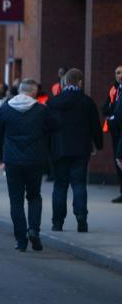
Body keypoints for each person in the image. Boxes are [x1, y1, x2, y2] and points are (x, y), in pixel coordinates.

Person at [0, 79, 59, 251]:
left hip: (13, 161)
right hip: (35, 159)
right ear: (33, 91)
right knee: (34, 196)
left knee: (16, 201)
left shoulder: (6, 108)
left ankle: (20, 240)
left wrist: (3, 155)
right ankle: (34, 231)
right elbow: (54, 126)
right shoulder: (41, 110)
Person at [47, 68, 103, 232]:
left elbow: (47, 127)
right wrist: (98, 145)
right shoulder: (87, 102)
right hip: (81, 149)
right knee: (79, 184)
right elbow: (95, 127)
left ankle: (57, 222)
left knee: (60, 185)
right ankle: (81, 216)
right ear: (80, 82)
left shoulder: (54, 103)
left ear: (65, 82)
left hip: (59, 150)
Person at [101, 65, 122, 202]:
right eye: (117, 73)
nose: (119, 75)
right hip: (116, 131)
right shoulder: (114, 89)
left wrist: (112, 112)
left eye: (121, 72)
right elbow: (105, 108)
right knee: (117, 160)